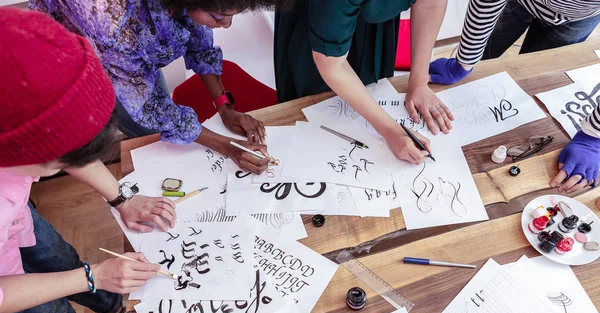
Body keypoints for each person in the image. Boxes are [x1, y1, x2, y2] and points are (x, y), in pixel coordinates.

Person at [0, 8, 174, 313]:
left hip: (19, 224)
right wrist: (92, 276)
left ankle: (114, 307)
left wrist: (121, 198)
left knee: (59, 257)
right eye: (59, 162)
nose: (69, 164)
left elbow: (66, 137)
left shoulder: (18, 60)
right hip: (10, 292)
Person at [31, 0, 290, 174]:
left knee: (168, 127)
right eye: (219, 17)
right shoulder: (114, 23)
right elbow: (150, 106)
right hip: (86, 59)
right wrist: (228, 147)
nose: (226, 25)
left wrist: (224, 107)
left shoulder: (189, 5)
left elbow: (198, 41)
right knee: (149, 135)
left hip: (126, 53)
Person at [429, 0, 600, 193]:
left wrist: (592, 137)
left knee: (529, 80)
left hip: (579, 17)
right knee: (484, 61)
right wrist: (466, 61)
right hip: (519, 3)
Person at [274, 0, 451, 164]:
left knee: (375, 89)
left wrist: (419, 83)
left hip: (374, 25)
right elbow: (332, 66)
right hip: (319, 29)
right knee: (318, 130)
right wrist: (392, 131)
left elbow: (430, 4)